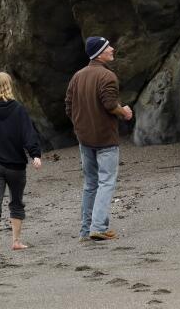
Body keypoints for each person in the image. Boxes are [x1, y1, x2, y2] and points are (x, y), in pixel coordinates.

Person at [65, 35, 132, 242]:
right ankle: (98, 227)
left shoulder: (77, 76)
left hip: (84, 139)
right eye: (107, 47)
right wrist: (125, 112)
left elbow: (68, 106)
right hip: (105, 139)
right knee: (106, 182)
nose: (112, 49)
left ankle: (86, 230)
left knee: (91, 183)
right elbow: (110, 105)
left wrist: (80, 125)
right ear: (100, 53)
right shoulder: (107, 77)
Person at [0, 72, 42, 254]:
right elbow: (28, 134)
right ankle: (16, 241)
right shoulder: (18, 109)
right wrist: (35, 154)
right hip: (15, 165)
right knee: (16, 202)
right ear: (7, 86)